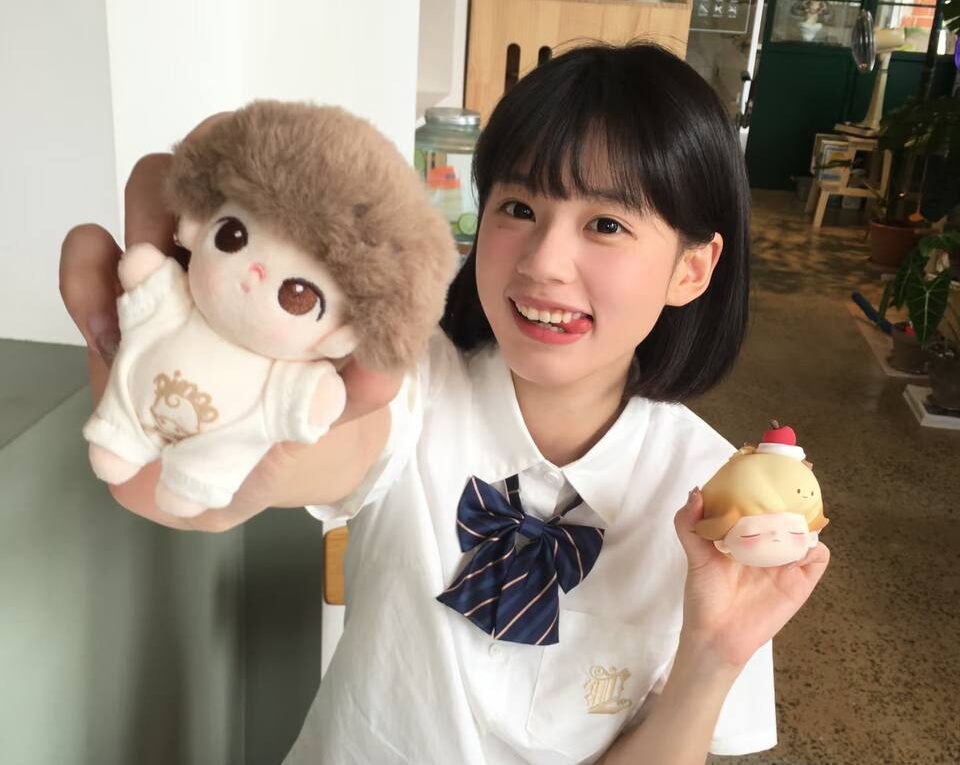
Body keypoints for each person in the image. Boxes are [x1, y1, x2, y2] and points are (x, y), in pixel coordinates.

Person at [60, 42, 830, 764]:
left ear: (692, 268)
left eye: (605, 223)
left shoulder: (714, 499)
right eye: (518, 207)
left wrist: (712, 655)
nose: (544, 262)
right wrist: (177, 351)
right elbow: (238, 476)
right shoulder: (412, 384)